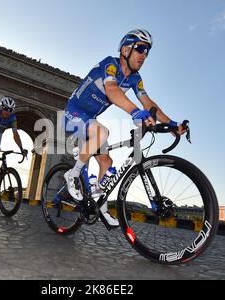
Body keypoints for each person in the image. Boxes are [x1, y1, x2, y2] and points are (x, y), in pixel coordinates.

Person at [63, 29, 186, 227]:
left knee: (107, 162)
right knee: (103, 132)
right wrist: (135, 112)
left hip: (90, 119)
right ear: (125, 49)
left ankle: (100, 206)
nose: (144, 55)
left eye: (148, 51)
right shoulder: (109, 64)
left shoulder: (135, 78)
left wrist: (171, 124)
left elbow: (148, 102)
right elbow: (112, 90)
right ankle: (73, 173)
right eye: (141, 49)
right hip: (74, 112)